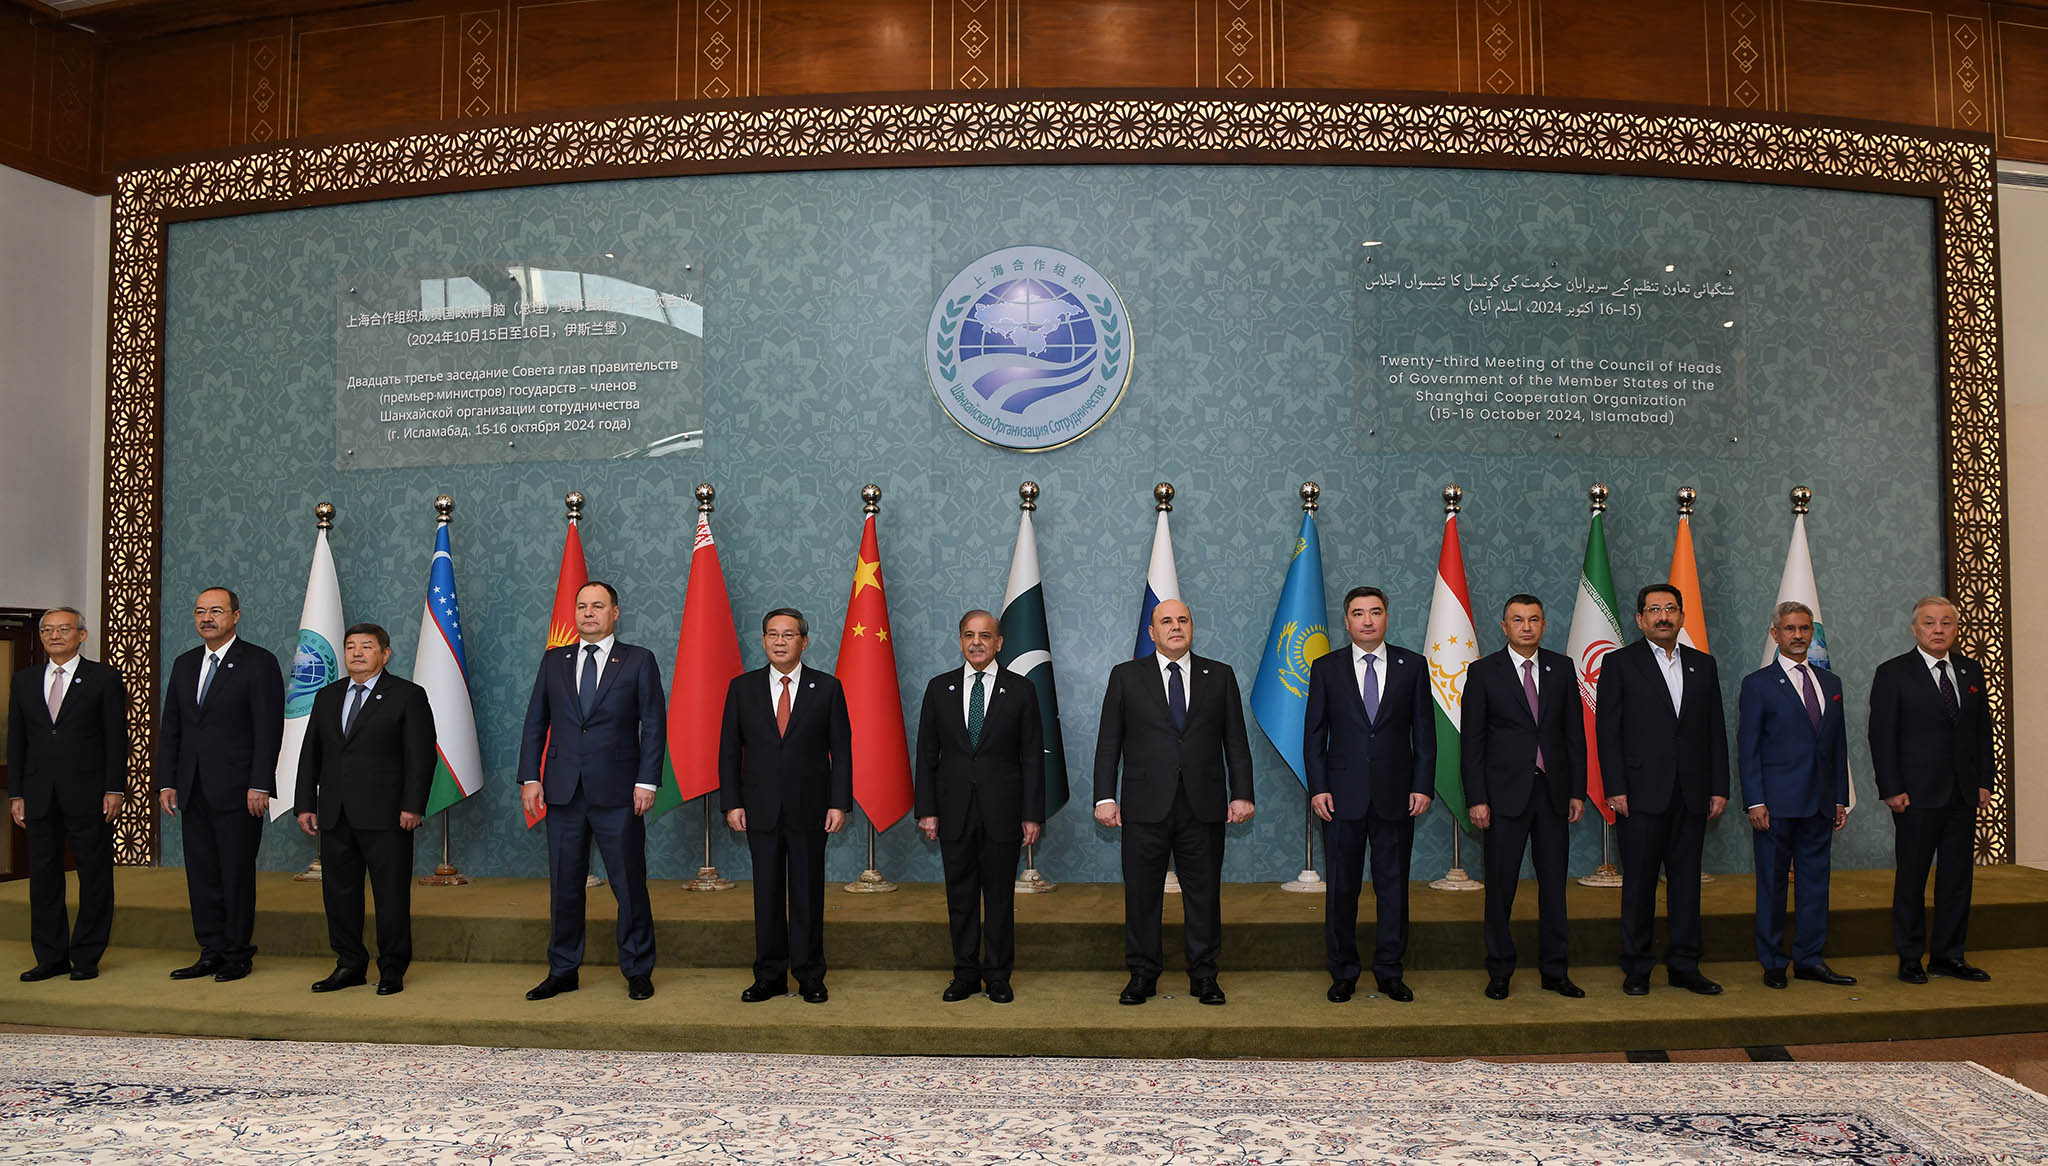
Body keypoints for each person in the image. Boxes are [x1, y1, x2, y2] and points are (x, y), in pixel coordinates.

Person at [1093, 599, 1254, 1006]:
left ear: (1192, 628)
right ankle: (1142, 974)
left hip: (1203, 804)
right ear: (1152, 632)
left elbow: (1235, 740)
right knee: (1142, 895)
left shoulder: (1219, 676)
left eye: (1183, 620)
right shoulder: (1126, 677)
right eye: (1166, 621)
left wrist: (1242, 793)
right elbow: (1109, 741)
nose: (1176, 627)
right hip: (1144, 804)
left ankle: (1204, 976)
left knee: (1203, 894)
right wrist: (1104, 796)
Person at [516, 580, 665, 1002]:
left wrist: (646, 779)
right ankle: (563, 969)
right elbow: (535, 723)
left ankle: (638, 968)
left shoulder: (638, 661)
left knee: (628, 883)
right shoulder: (554, 661)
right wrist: (530, 776)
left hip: (620, 792)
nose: (588, 613)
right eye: (581, 606)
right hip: (562, 791)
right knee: (565, 884)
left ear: (615, 612)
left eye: (597, 606)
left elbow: (653, 725)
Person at [1596, 582, 1729, 996]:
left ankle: (1685, 966)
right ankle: (1637, 967)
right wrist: (1615, 786)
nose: (1663, 616)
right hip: (1638, 794)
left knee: (1686, 885)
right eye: (1654, 610)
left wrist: (1719, 786)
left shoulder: (1702, 665)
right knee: (1638, 885)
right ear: (1640, 619)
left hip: (1690, 794)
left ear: (1682, 616)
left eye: (1671, 608)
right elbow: (1607, 732)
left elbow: (1715, 732)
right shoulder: (1619, 664)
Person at [1304, 586, 1434, 1003]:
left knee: (1392, 887)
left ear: (1386, 618)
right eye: (1358, 613)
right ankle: (1343, 971)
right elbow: (1314, 735)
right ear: (1347, 621)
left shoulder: (1412, 666)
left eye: (1375, 612)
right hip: (1341, 798)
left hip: (1397, 795)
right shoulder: (1326, 668)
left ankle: (1390, 970)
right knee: (1342, 887)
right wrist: (1319, 787)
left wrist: (1422, 784)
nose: (1367, 620)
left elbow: (1425, 735)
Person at [291, 622, 436, 996]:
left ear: (385, 654)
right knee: (339, 894)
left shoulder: (408, 695)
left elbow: (420, 757)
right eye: (351, 646)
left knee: (390, 895)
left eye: (366, 646)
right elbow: (311, 753)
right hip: (335, 813)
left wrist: (412, 805)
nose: (357, 652)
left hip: (388, 815)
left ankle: (391, 968)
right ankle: (349, 964)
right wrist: (305, 802)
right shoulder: (327, 696)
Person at [719, 607, 853, 1004]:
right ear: (763, 641)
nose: (780, 641)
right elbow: (728, 752)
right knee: (767, 895)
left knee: (808, 894)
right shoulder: (742, 688)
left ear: (804, 642)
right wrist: (732, 802)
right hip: (758, 808)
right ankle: (770, 976)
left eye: (788, 635)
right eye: (773, 635)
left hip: (811, 809)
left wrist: (839, 803)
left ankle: (810, 975)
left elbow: (841, 753)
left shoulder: (827, 688)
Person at [913, 610, 1045, 1004]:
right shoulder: (940, 688)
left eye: (985, 636)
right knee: (961, 897)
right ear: (959, 640)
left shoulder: (1021, 690)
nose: (977, 642)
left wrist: (1032, 813)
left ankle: (998, 975)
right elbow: (926, 754)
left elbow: (1033, 759)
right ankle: (965, 973)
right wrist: (928, 809)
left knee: (1000, 898)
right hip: (952, 812)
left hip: (1003, 813)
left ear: (999, 643)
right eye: (969, 635)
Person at [1461, 594, 1586, 1000]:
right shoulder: (1483, 672)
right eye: (1518, 620)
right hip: (1502, 799)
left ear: (1544, 624)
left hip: (1552, 795)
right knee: (1500, 889)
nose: (1527, 626)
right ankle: (1499, 970)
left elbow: (1574, 736)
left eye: (1534, 619)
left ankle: (1555, 970)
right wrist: (1477, 798)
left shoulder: (1562, 668)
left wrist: (1577, 790)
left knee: (1554, 887)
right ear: (1504, 627)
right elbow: (1473, 743)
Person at [157, 587, 284, 983]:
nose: (206, 618)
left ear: (236, 616)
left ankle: (237, 954)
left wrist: (260, 783)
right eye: (199, 611)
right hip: (192, 789)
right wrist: (167, 781)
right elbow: (172, 728)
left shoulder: (259, 663)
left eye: (216, 610)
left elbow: (268, 729)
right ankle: (210, 950)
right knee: (202, 875)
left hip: (240, 790)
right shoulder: (184, 664)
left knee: (235, 873)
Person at [1869, 595, 1995, 984]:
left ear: (1956, 629)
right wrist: (1891, 788)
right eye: (1929, 623)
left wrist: (1984, 782)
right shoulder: (1893, 673)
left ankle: (1949, 955)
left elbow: (1981, 732)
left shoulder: (1971, 670)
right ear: (1914, 628)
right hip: (1915, 796)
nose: (1938, 629)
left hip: (1962, 794)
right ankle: (1910, 957)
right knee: (1912, 878)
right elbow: (1881, 736)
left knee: (1957, 879)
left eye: (1946, 623)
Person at [1738, 601, 1855, 990]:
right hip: (1774, 806)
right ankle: (1773, 961)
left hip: (1820, 804)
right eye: (1790, 629)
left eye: (1805, 628)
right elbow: (1748, 747)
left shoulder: (1831, 683)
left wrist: (1840, 797)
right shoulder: (1757, 685)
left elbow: (1837, 746)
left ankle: (1810, 958)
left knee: (1815, 885)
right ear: (1776, 634)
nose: (1799, 635)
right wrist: (1755, 801)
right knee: (1772, 886)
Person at [7, 607, 128, 982]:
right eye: (47, 630)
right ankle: (50, 957)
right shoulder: (24, 681)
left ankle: (86, 956)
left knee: (94, 876)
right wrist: (16, 793)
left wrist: (114, 788)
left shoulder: (103, 678)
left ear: (82, 635)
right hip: (39, 794)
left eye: (63, 629)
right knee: (43, 878)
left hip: (90, 794)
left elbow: (116, 738)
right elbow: (17, 741)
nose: (54, 635)